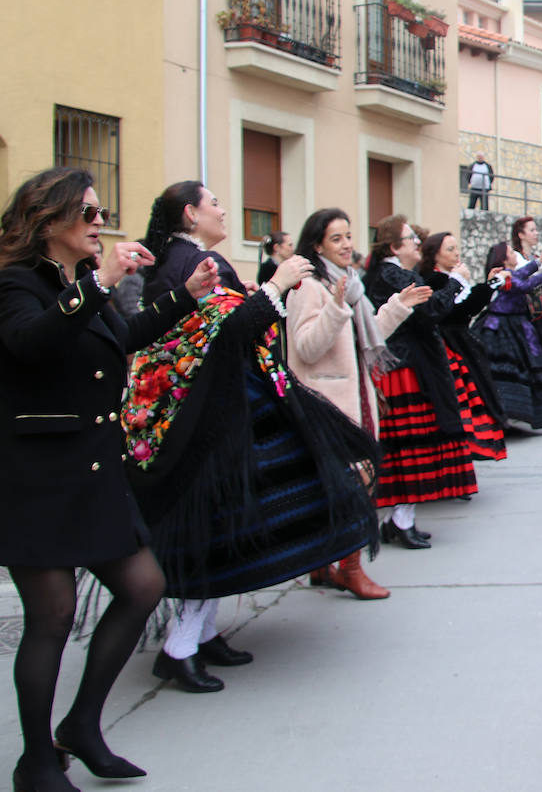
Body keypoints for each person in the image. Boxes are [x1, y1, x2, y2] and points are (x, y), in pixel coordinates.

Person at [0, 167, 217, 792]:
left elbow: (122, 337)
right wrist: (97, 284)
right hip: (35, 477)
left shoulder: (74, 285)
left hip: (91, 471)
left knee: (144, 584)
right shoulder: (16, 284)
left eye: (100, 214)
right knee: (52, 616)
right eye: (89, 214)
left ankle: (84, 725)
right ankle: (36, 760)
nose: (100, 223)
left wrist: (188, 295)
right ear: (50, 222)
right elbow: (28, 343)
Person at [133, 182, 378, 694]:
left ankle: (199, 636)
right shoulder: (192, 264)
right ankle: (181, 649)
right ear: (190, 214)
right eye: (215, 203)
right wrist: (277, 285)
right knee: (219, 523)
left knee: (224, 523)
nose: (223, 210)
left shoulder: (184, 260)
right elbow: (227, 335)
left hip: (213, 411)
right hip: (214, 417)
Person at [287, 208, 433, 595]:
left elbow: (364, 341)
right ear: (317, 244)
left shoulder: (349, 282)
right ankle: (350, 569)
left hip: (357, 398)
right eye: (336, 238)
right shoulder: (309, 287)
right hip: (328, 403)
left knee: (349, 484)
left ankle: (325, 565)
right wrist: (336, 308)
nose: (347, 244)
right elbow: (306, 346)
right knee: (354, 485)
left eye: (348, 236)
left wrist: (397, 307)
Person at [362, 214, 474, 550]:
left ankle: (401, 519)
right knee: (409, 446)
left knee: (412, 446)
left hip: (409, 363)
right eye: (410, 238)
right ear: (394, 246)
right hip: (404, 367)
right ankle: (399, 520)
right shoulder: (391, 273)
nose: (416, 242)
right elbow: (430, 311)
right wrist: (455, 281)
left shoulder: (393, 272)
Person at [418, 231, 508, 461]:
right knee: (459, 400)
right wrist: (478, 286)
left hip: (460, 341)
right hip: (447, 345)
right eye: (450, 249)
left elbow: (467, 309)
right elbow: (455, 313)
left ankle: (466, 450)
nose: (456, 253)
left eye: (456, 248)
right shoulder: (435, 280)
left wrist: (489, 285)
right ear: (434, 255)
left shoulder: (447, 277)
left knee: (473, 397)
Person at [475, 236, 542, 430]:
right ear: (504, 259)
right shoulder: (504, 276)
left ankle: (512, 412)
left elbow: (522, 274)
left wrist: (539, 262)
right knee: (510, 367)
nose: (514, 254)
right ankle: (507, 411)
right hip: (502, 328)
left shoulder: (509, 273)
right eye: (510, 253)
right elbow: (523, 285)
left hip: (513, 325)